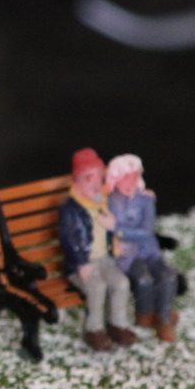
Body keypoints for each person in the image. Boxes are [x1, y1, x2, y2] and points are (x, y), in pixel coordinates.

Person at [58, 148, 136, 351]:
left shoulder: (102, 201)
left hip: (104, 259)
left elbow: (115, 226)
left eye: (98, 176)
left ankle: (117, 324)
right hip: (81, 264)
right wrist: (81, 263)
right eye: (88, 178)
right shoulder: (71, 209)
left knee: (121, 283)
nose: (95, 182)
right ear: (77, 180)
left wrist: (115, 229)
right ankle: (94, 330)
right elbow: (69, 239)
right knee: (97, 287)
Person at [106, 154, 179, 341]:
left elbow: (146, 231)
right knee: (143, 278)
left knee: (168, 276)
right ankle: (145, 313)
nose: (131, 182)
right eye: (126, 177)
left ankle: (163, 317)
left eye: (135, 176)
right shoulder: (110, 201)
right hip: (127, 255)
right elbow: (107, 232)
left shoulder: (146, 199)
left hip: (150, 251)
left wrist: (117, 228)